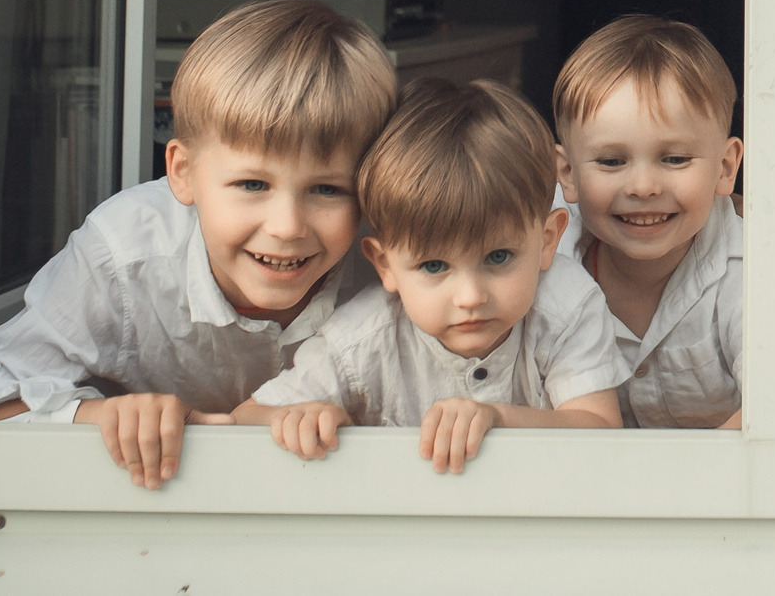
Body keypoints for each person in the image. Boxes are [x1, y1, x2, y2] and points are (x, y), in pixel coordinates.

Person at [0, 0, 398, 488]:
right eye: (252, 185)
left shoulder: (394, 259)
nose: (288, 227)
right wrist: (104, 417)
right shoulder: (124, 254)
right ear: (183, 172)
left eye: (328, 189)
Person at [237, 78, 628, 472]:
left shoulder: (566, 306)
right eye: (434, 266)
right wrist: (293, 419)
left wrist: (500, 418)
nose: (470, 296)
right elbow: (244, 418)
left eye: (498, 257)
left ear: (547, 241)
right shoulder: (361, 338)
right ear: (385, 264)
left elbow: (598, 429)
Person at [554, 14, 746, 428]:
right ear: (567, 174)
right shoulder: (544, 261)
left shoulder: (748, 274)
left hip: (718, 487)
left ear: (725, 168)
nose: (643, 187)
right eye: (611, 161)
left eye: (674, 159)